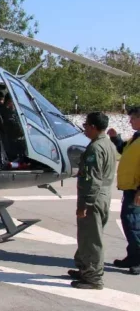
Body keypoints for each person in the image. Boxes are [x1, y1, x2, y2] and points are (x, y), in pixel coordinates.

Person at [68, 112, 118, 290]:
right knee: (89, 236)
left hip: (94, 198)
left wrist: (84, 205)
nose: (85, 129)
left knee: (92, 238)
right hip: (102, 195)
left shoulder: (96, 148)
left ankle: (93, 278)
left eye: (86, 125)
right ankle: (85, 268)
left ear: (94, 127)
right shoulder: (108, 144)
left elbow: (92, 180)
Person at [108, 106, 140, 275]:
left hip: (136, 190)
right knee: (129, 222)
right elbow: (123, 150)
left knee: (134, 224)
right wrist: (115, 139)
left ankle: (138, 259)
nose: (130, 121)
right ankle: (133, 256)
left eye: (134, 118)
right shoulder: (136, 138)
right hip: (130, 189)